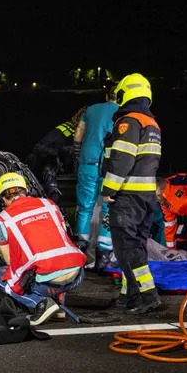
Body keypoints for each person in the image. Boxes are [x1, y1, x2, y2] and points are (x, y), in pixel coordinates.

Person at [101, 74, 162, 315]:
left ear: (126, 94)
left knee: (126, 248)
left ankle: (148, 296)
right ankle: (130, 295)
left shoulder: (128, 122)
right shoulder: (152, 124)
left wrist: (108, 190)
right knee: (135, 246)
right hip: (146, 197)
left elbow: (122, 160)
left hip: (127, 196)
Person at [0, 172, 86, 325]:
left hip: (48, 283)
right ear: (26, 190)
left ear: (3, 198)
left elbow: (9, 261)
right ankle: (59, 307)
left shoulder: (2, 219)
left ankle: (40, 303)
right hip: (77, 274)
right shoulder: (49, 204)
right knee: (55, 258)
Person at [72, 90, 119, 271]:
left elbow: (78, 134)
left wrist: (78, 153)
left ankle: (80, 253)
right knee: (108, 209)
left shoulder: (90, 109)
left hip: (88, 162)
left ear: (107, 96)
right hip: (110, 164)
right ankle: (103, 257)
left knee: (84, 208)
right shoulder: (122, 112)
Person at [25, 106, 87, 203]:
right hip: (51, 171)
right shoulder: (63, 130)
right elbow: (38, 148)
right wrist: (60, 151)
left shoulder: (89, 134)